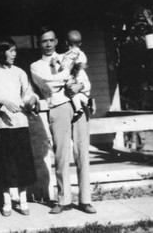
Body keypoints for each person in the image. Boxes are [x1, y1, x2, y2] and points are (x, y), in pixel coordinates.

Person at [30, 27, 96, 214]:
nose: (48, 44)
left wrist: (79, 86)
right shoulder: (36, 66)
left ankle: (85, 200)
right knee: (61, 154)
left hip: (79, 106)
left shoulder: (70, 56)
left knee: (82, 152)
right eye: (44, 41)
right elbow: (50, 85)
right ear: (39, 43)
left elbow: (86, 82)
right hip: (58, 108)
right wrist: (68, 76)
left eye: (51, 40)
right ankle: (64, 200)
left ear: (57, 41)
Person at [0, 38, 38, 216]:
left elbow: (28, 93)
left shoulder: (20, 72)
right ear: (2, 52)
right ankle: (7, 201)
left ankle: (22, 200)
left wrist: (31, 101)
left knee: (22, 162)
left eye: (15, 51)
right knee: (5, 163)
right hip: (1, 124)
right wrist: (3, 102)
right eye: (11, 51)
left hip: (19, 122)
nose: (14, 54)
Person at [64, 30, 92, 122]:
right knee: (75, 93)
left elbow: (70, 66)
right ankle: (86, 103)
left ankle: (79, 108)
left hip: (76, 75)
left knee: (71, 91)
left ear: (66, 43)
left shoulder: (68, 54)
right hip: (80, 74)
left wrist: (74, 70)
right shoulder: (81, 53)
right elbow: (84, 64)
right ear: (80, 43)